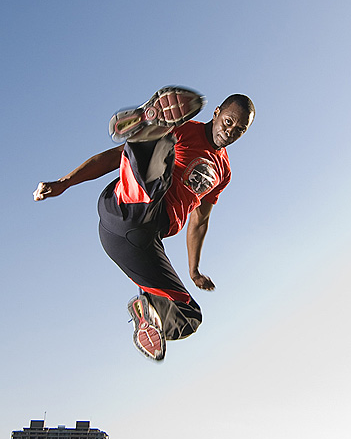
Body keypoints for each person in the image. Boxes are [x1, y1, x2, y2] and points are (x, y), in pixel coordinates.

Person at [34, 86, 255, 361]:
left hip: (141, 243)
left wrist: (194, 269)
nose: (231, 131)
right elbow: (115, 157)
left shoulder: (223, 173)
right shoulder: (188, 130)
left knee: (188, 315)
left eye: (240, 129)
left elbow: (199, 220)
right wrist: (65, 182)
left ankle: (146, 311)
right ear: (217, 113)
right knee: (158, 172)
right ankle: (148, 132)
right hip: (127, 208)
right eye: (229, 122)